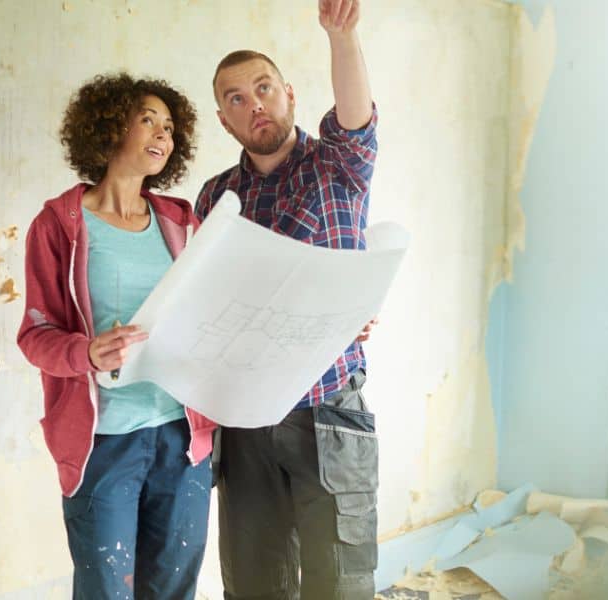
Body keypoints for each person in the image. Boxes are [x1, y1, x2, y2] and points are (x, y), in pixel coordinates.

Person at [194, 1, 379, 597]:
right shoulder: (215, 198)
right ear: (224, 119)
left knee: (339, 581)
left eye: (264, 88)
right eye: (237, 99)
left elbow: (355, 117)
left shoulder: (337, 165)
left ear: (290, 94)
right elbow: (206, 303)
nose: (255, 105)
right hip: (245, 417)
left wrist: (342, 36)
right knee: (254, 582)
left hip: (327, 406)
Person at [17, 73, 218, 599]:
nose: (162, 134)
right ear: (109, 128)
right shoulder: (59, 223)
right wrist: (86, 352)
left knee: (174, 588)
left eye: (170, 126)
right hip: (103, 442)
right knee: (108, 589)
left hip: (182, 437)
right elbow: (35, 335)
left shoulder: (181, 222)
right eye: (147, 119)